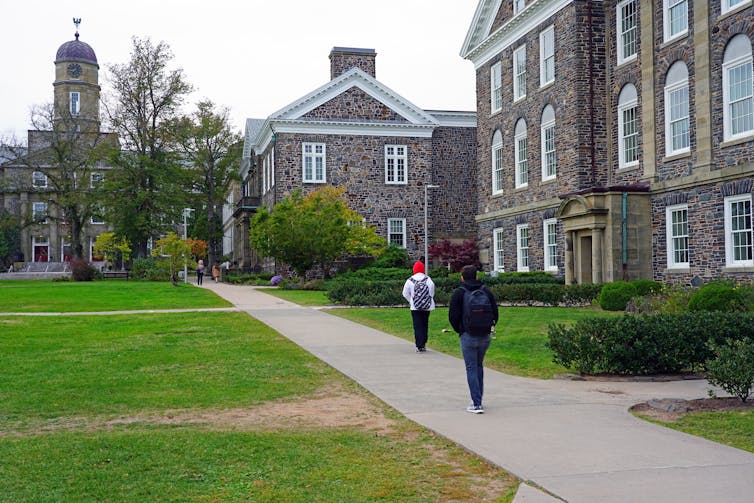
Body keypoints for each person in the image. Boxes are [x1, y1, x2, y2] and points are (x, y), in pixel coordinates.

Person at [449, 265, 498, 414]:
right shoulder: (486, 291)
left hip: (468, 335)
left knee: (471, 368)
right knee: (478, 366)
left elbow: (453, 316)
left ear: (462, 277)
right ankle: (478, 398)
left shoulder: (459, 293)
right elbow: (495, 314)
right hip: (484, 335)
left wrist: (461, 330)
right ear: (476, 276)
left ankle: (476, 403)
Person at [402, 261, 436, 352]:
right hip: (427, 306)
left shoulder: (410, 280)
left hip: (415, 307)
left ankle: (419, 345)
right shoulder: (428, 279)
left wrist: (411, 301)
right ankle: (424, 343)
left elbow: (405, 293)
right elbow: (431, 293)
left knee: (417, 325)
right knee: (425, 324)